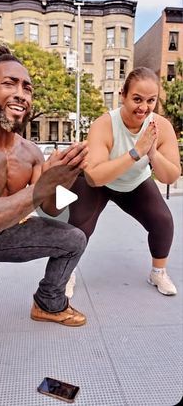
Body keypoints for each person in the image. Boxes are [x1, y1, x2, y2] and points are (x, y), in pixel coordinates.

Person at [0, 43, 88, 405]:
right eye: (10, 83)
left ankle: (48, 302)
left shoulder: (30, 152)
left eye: (27, 87)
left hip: (5, 232)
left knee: (73, 238)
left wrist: (62, 182)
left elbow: (53, 210)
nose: (21, 94)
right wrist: (36, 192)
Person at [69, 67, 181, 297]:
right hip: (99, 184)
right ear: (123, 95)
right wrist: (135, 152)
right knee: (78, 225)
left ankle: (157, 273)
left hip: (134, 183)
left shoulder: (161, 127)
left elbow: (170, 176)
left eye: (151, 100)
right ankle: (65, 273)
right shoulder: (104, 125)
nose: (143, 107)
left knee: (163, 221)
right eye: (137, 99)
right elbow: (94, 176)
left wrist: (152, 153)